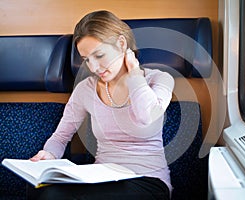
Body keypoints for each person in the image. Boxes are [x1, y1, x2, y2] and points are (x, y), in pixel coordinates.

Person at [30, 10, 174, 200]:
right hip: (101, 179)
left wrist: (134, 76)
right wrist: (48, 154)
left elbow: (146, 116)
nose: (94, 67)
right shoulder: (85, 89)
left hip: (147, 180)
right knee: (43, 192)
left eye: (99, 55)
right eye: (86, 60)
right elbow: (61, 136)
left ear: (121, 44)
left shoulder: (160, 79)